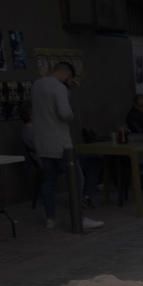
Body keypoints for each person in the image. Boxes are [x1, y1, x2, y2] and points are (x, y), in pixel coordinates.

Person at [30, 61, 103, 230]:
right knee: (77, 178)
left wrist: (67, 89)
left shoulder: (37, 84)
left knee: (49, 181)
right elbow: (64, 113)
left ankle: (50, 218)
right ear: (67, 75)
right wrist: (71, 110)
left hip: (42, 141)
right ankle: (78, 217)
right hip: (60, 142)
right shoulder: (59, 88)